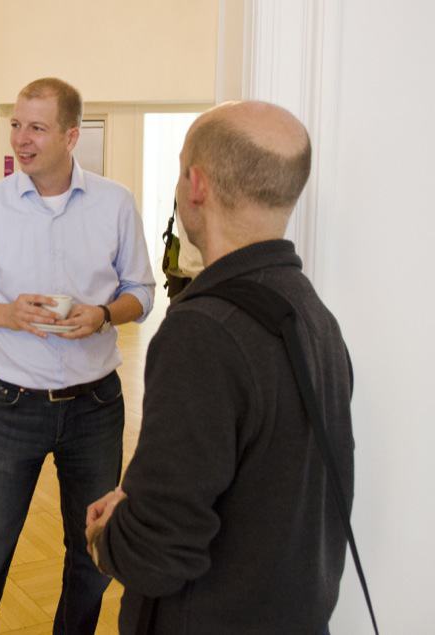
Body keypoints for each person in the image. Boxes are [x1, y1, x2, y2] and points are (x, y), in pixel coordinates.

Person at [85, 101, 353, 634]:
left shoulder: (203, 331)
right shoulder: (311, 313)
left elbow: (156, 555)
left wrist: (108, 536)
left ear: (197, 184)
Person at [0, 77, 155, 633]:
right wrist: (6, 314)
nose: (21, 138)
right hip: (11, 405)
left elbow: (142, 293)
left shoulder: (115, 203)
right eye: (16, 124)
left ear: (71, 136)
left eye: (37, 127)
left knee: (92, 554)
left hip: (96, 406)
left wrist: (103, 314)